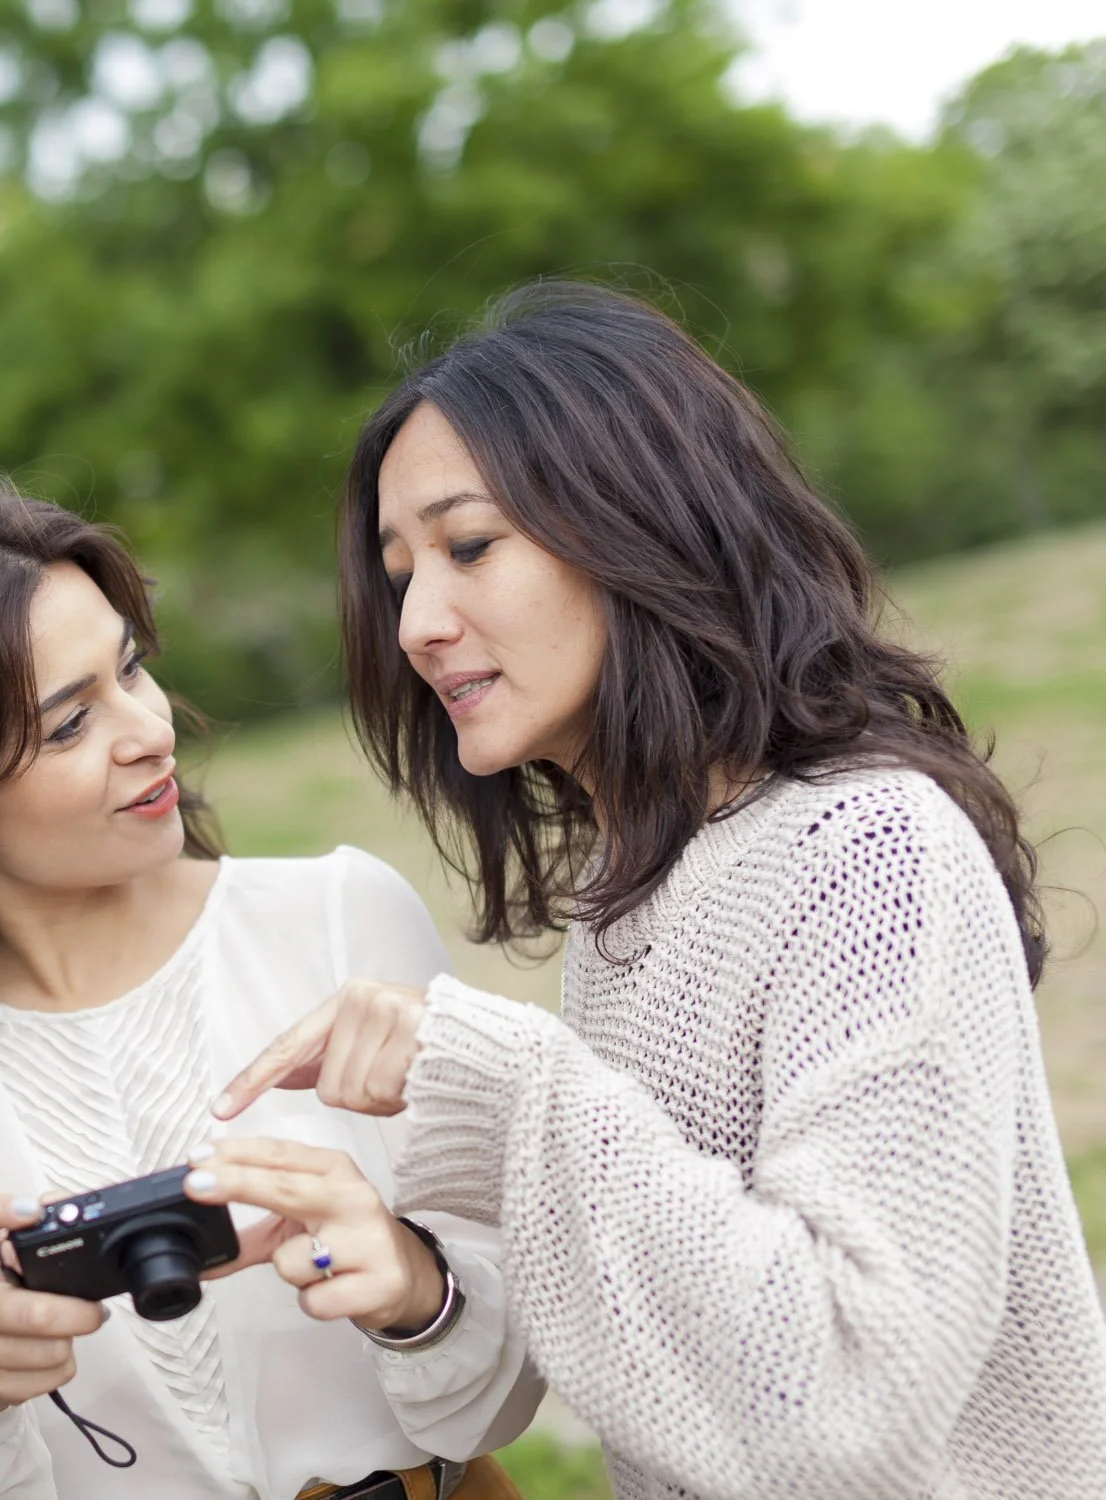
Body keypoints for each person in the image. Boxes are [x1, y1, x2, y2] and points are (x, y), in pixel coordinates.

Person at [215, 282, 1106, 1497]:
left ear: (642, 525)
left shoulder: (868, 848)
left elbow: (854, 1390)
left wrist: (513, 1085)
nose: (419, 622)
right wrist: (415, 1274)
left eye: (470, 545)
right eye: (399, 572)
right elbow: (684, 1343)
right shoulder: (632, 886)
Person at [0, 484, 542, 1499]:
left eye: (130, 667)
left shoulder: (344, 919)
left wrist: (411, 1288)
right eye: (68, 723)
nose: (149, 729)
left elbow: (514, 1391)